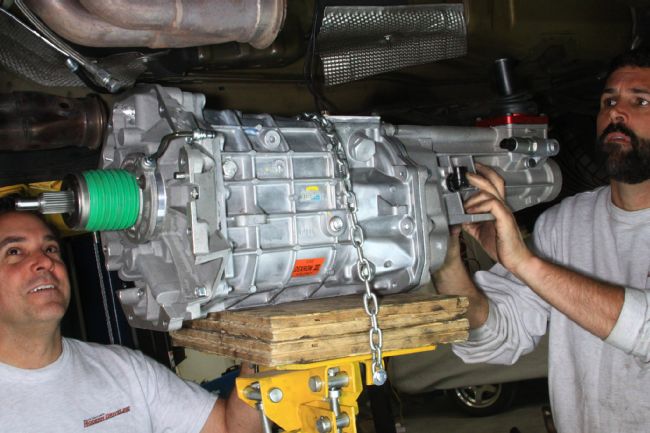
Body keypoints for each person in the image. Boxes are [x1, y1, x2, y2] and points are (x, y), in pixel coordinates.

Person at [435, 47, 650, 433]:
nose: (616, 113)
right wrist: (447, 250)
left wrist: (524, 262)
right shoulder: (564, 224)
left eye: (641, 101)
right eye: (608, 101)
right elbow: (496, 337)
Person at [0, 209, 262, 433]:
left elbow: (229, 429)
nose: (45, 261)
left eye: (50, 249)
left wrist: (264, 346)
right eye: (14, 251)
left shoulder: (125, 370)